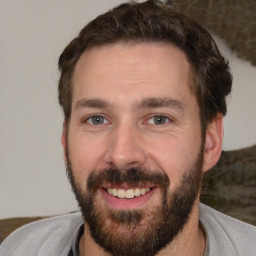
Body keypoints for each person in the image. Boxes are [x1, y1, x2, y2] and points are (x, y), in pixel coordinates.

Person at [1, 0, 255, 255]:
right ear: (66, 139)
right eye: (97, 119)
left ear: (210, 142)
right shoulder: (18, 248)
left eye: (159, 119)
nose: (122, 155)